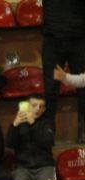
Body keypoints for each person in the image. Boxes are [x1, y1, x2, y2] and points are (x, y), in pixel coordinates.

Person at [6, 94, 63, 180]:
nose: (37, 109)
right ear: (26, 106)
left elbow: (47, 142)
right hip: (22, 166)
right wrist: (14, 125)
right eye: (34, 105)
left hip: (44, 165)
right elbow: (9, 144)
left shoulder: (47, 123)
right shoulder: (18, 123)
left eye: (41, 106)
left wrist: (33, 123)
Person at [42, 0, 85, 131]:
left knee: (83, 89)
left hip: (79, 39)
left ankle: (82, 133)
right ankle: (48, 135)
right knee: (50, 90)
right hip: (52, 39)